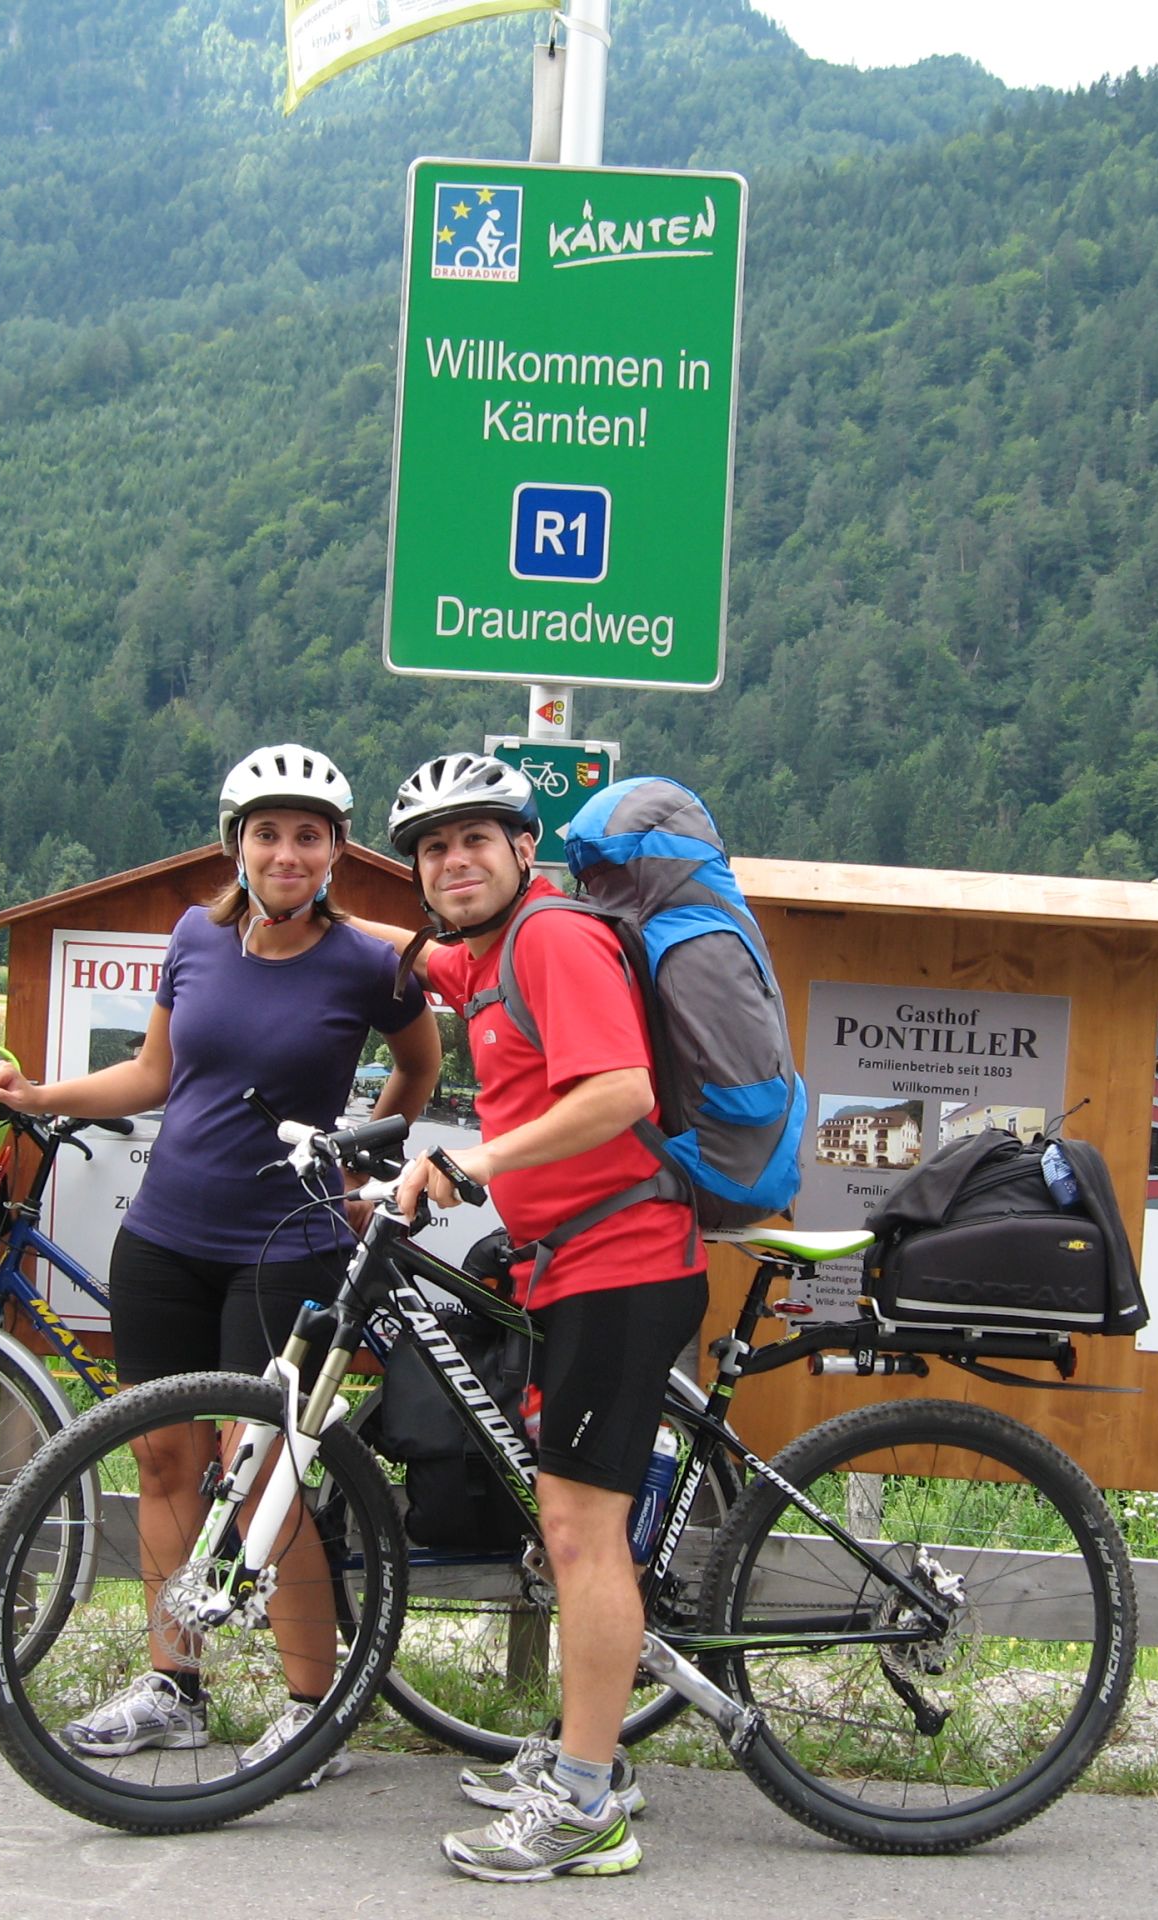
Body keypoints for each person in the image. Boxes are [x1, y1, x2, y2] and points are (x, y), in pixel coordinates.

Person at [0, 742, 440, 1783]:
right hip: (166, 1237)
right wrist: (41, 1097)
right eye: (268, 832)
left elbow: (418, 1067)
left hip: (288, 1245)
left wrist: (368, 1151)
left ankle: (312, 1708)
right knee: (162, 1461)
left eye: (308, 836)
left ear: (334, 852)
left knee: (268, 1472)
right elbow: (151, 1074)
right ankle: (173, 1687)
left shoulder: (371, 962)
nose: (287, 852)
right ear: (237, 843)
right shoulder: (193, 938)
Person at [383, 752, 707, 1884]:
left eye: (476, 838)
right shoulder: (490, 954)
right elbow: (422, 968)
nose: (452, 859)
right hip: (572, 1266)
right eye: (431, 846)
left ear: (528, 851)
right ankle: (590, 1760)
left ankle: (586, 1806)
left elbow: (619, 1091)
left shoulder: (554, 939)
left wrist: (467, 1160)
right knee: (570, 1528)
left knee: (576, 1532)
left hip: (619, 1262)